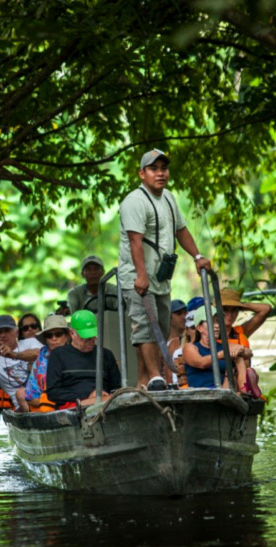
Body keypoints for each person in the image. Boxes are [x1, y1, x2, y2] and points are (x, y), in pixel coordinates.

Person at [118, 148, 211, 391]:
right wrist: (140, 276)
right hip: (137, 278)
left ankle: (143, 382)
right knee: (144, 328)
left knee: (155, 329)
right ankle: (154, 378)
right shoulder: (134, 201)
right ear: (142, 173)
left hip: (160, 279)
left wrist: (197, 256)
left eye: (163, 169)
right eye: (153, 169)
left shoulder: (168, 197)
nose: (160, 174)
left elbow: (181, 230)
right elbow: (135, 240)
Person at [45, 310, 121, 408]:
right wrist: (87, 397)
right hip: (74, 405)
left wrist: (101, 396)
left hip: (105, 403)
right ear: (72, 333)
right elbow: (53, 393)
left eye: (92, 337)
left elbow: (117, 388)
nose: (90, 341)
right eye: (84, 338)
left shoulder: (106, 354)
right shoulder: (58, 355)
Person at [220, 289, 271, 398]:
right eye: (225, 309)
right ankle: (243, 388)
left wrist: (241, 305)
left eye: (234, 310)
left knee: (250, 372)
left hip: (244, 378)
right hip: (225, 380)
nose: (230, 314)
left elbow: (266, 309)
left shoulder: (242, 331)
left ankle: (248, 385)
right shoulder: (210, 334)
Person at [182, 305, 246, 390]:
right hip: (202, 394)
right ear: (199, 328)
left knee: (239, 358)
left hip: (224, 390)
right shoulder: (190, 347)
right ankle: (241, 392)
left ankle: (244, 389)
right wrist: (223, 354)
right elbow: (201, 363)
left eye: (218, 321)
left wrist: (240, 351)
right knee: (230, 366)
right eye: (211, 322)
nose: (217, 325)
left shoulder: (224, 346)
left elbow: (248, 352)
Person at [24, 314, 71, 412]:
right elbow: (31, 397)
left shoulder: (76, 354)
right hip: (47, 408)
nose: (54, 338)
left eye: (58, 334)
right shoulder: (40, 361)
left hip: (74, 404)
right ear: (45, 339)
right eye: (49, 335)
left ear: (66, 336)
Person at [164, 299, 187, 385]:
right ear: (169, 316)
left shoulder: (188, 341)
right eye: (179, 313)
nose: (184, 316)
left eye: (185, 313)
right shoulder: (161, 345)